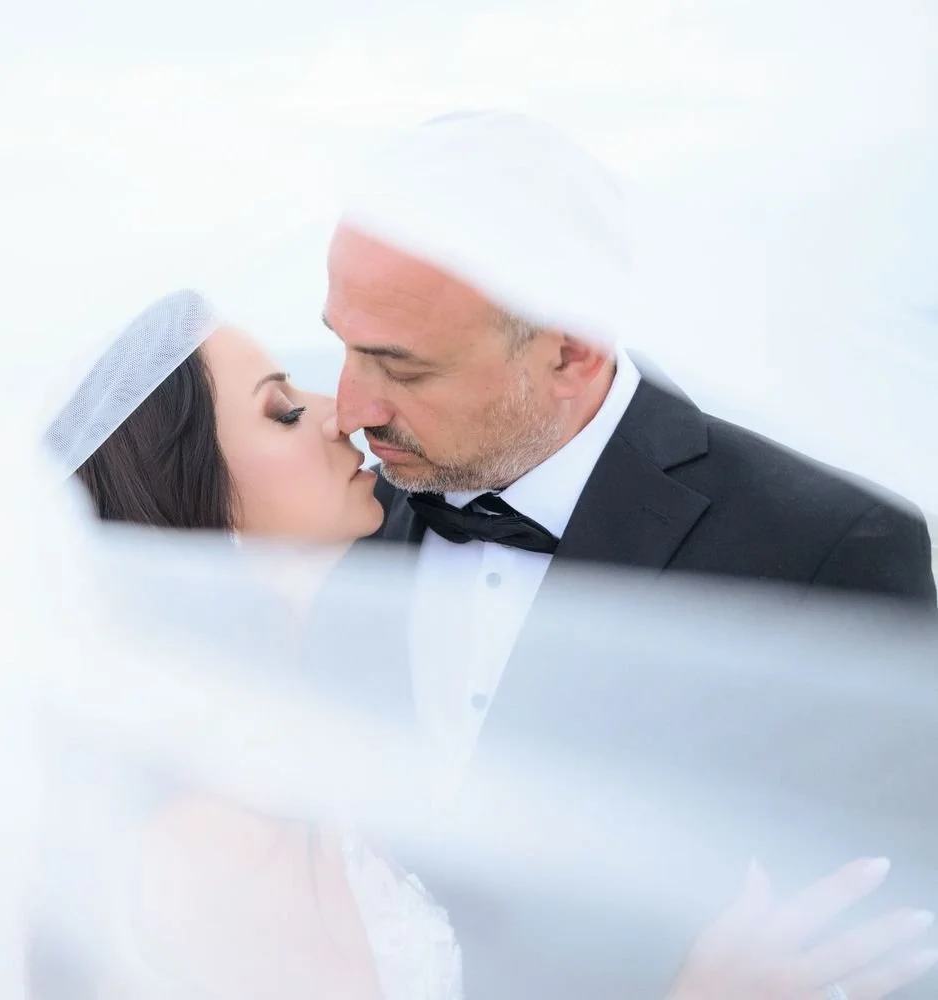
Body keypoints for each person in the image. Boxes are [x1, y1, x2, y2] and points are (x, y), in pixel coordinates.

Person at [33, 289, 936, 1000]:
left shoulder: (302, 718)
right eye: (281, 410)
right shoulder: (213, 836)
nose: (340, 411)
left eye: (393, 360)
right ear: (191, 503)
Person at [317, 111, 938, 999]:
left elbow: (885, 940)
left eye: (403, 368)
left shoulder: (827, 550)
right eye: (341, 344)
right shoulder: (333, 519)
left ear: (572, 350)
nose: (351, 410)